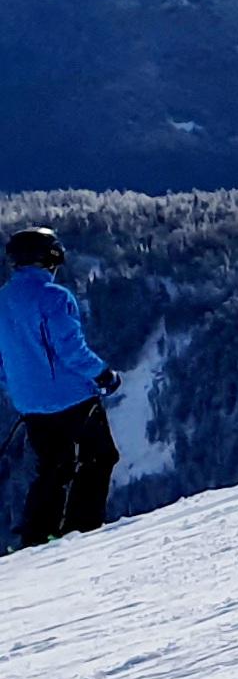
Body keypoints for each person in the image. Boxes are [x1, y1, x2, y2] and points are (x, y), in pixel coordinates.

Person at [2, 226, 122, 546]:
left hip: (29, 400)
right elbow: (71, 350)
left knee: (53, 468)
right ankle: (82, 527)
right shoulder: (54, 297)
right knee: (100, 456)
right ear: (50, 256)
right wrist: (103, 374)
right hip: (71, 396)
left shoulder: (4, 298)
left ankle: (37, 535)